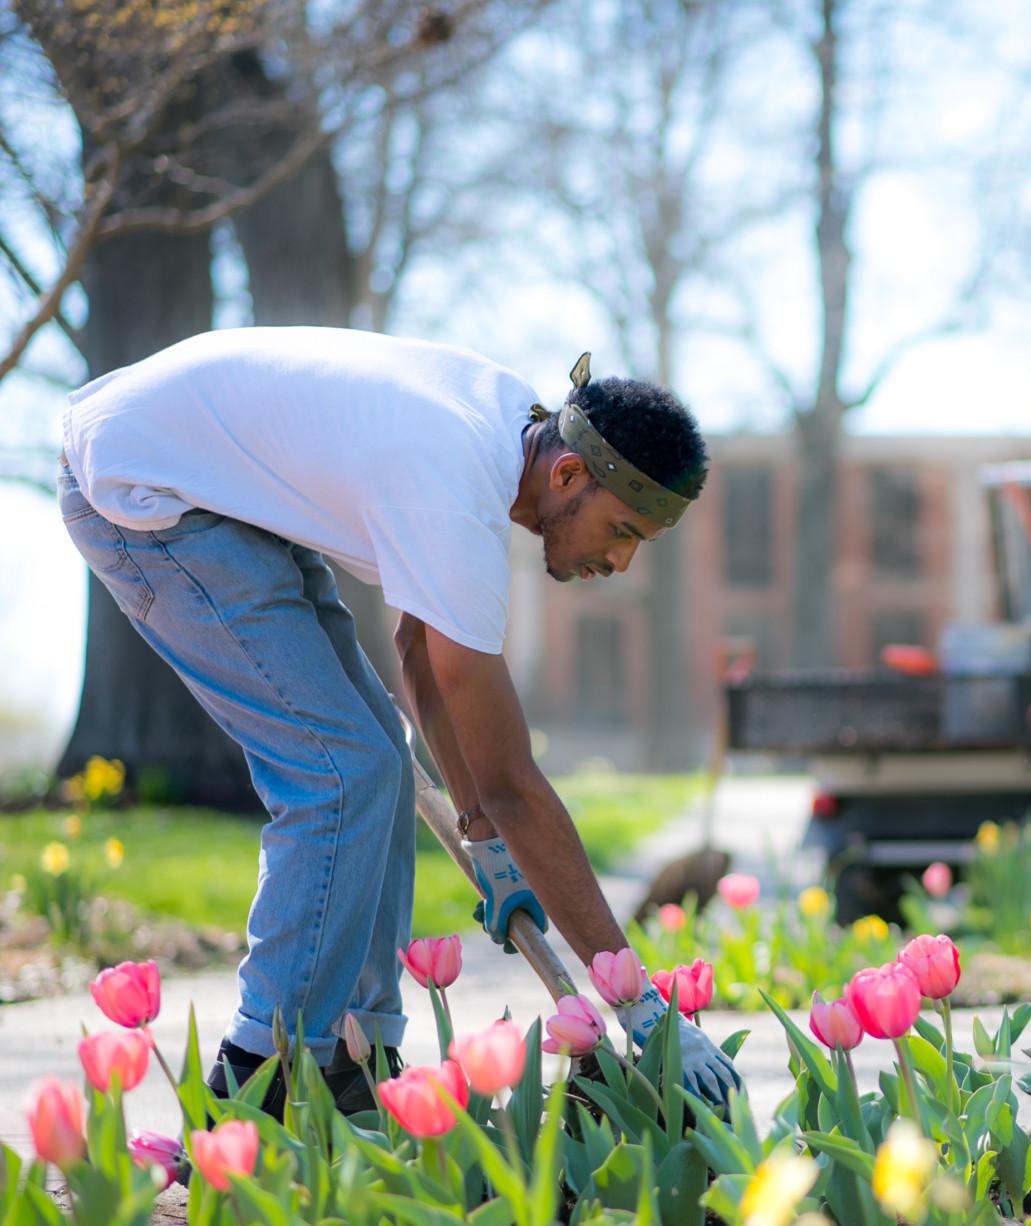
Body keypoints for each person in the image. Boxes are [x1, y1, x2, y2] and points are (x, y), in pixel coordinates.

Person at [58, 327, 740, 1114]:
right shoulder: (452, 485)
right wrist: (640, 1007)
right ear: (567, 472)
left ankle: (354, 1057)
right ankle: (260, 1085)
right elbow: (516, 781)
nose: (619, 563)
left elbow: (420, 653)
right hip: (143, 489)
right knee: (339, 773)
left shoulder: (494, 445)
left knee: (378, 756)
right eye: (622, 531)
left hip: (213, 486)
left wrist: (482, 831)